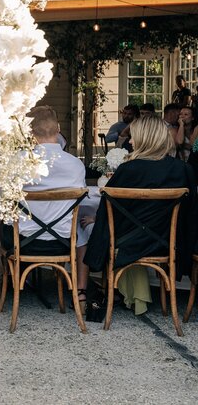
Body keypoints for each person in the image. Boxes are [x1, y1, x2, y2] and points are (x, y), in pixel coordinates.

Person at [83, 116, 197, 314]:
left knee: (99, 230)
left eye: (134, 137)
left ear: (146, 139)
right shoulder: (183, 169)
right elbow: (190, 212)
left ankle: (112, 290)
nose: (131, 142)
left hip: (128, 241)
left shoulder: (128, 170)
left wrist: (97, 222)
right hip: (168, 242)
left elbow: (109, 210)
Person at [9, 107, 88, 307]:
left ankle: (10, 283)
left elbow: (5, 198)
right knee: (82, 232)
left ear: (29, 133)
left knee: (1, 222)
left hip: (24, 240)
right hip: (62, 241)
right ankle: (80, 291)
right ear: (59, 129)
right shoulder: (75, 165)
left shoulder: (18, 163)